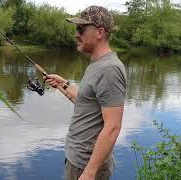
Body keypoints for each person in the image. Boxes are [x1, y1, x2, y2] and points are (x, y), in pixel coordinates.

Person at [44, 5, 127, 180]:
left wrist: (90, 173)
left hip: (86, 166)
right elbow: (88, 103)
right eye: (77, 29)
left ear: (99, 32)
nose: (76, 34)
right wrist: (64, 84)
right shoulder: (97, 64)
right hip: (77, 159)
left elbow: (113, 127)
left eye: (81, 29)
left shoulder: (110, 69)